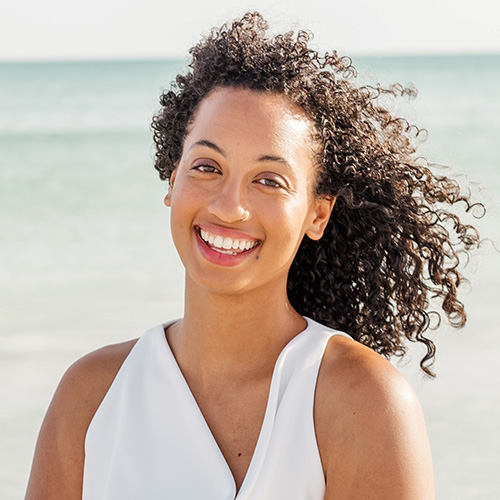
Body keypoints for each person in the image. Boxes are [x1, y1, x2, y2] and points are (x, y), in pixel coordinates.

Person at [25, 12, 481, 500]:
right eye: (207, 167)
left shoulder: (362, 404)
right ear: (172, 180)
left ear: (317, 214)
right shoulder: (90, 399)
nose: (228, 207)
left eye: (269, 180)